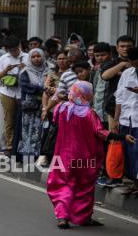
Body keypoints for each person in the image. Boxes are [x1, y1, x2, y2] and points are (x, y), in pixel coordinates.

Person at [47, 81, 136, 229]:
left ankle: (62, 216)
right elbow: (101, 133)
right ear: (87, 95)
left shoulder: (61, 108)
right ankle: (83, 217)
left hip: (63, 157)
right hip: (85, 159)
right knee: (84, 187)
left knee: (63, 184)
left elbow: (55, 121)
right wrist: (122, 137)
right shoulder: (89, 113)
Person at [0, 35, 28, 156]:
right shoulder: (3, 58)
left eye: (15, 49)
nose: (13, 52)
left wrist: (25, 69)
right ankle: (9, 146)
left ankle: (22, 146)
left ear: (19, 46)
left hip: (23, 93)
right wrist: (6, 70)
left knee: (23, 120)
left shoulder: (27, 57)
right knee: (9, 120)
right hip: (7, 92)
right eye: (10, 50)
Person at [115, 47, 138, 195]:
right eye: (133, 62)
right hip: (127, 118)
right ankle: (134, 183)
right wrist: (116, 119)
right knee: (129, 152)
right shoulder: (127, 73)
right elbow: (120, 97)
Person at [17, 48, 47, 157]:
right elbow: (25, 87)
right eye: (33, 57)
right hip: (30, 106)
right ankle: (27, 152)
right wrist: (42, 88)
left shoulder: (48, 70)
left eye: (38, 56)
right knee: (28, 129)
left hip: (44, 105)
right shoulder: (25, 72)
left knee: (40, 129)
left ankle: (38, 153)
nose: (36, 59)